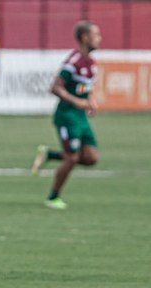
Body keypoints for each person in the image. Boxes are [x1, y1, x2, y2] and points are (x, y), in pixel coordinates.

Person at [31, 21, 101, 210]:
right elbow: (55, 87)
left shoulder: (91, 63)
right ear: (85, 38)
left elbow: (87, 89)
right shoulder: (73, 62)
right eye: (96, 35)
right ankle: (53, 197)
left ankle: (49, 154)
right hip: (66, 115)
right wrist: (76, 101)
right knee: (72, 158)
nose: (99, 39)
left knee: (91, 157)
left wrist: (91, 102)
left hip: (80, 117)